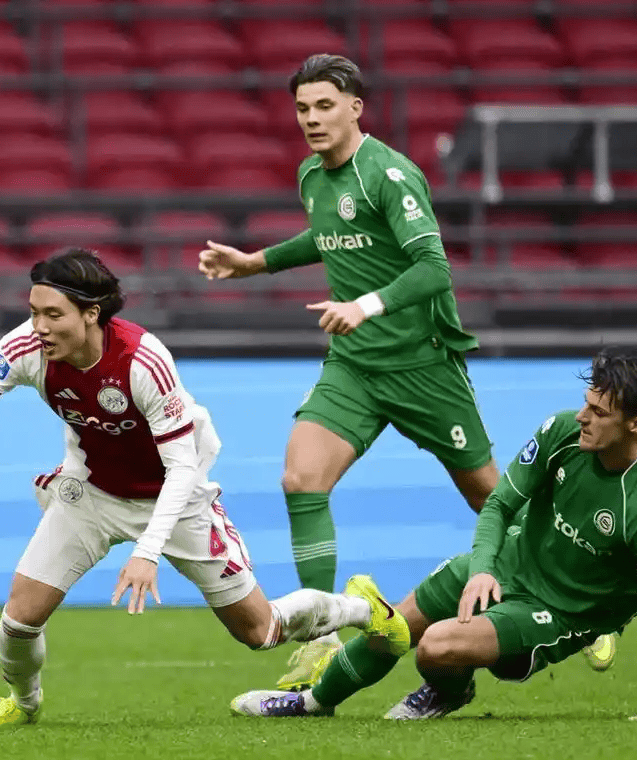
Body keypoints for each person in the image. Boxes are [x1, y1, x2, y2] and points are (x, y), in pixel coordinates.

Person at [0, 248, 410, 726]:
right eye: (34, 312)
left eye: (53, 314)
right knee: (19, 618)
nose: (39, 327)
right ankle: (22, 704)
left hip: (175, 500)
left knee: (261, 631)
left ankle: (361, 607)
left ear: (92, 314)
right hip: (91, 494)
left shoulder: (143, 361)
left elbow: (182, 469)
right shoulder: (29, 348)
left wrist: (147, 551)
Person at [196, 52, 519, 690]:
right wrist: (253, 262)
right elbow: (328, 236)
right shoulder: (311, 176)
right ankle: (319, 635)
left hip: (422, 366)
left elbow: (434, 269)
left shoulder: (389, 175)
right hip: (355, 367)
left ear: (355, 108)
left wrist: (364, 306)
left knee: (490, 497)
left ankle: (569, 591)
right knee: (301, 478)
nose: (311, 119)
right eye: (302, 108)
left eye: (324, 106)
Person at [230, 350, 637, 721]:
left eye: (598, 412)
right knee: (396, 625)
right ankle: (312, 703)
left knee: (436, 648)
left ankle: (449, 691)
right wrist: (483, 570)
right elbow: (499, 505)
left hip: (559, 611)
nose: (582, 416)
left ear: (636, 424)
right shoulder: (562, 432)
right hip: (509, 563)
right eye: (585, 403)